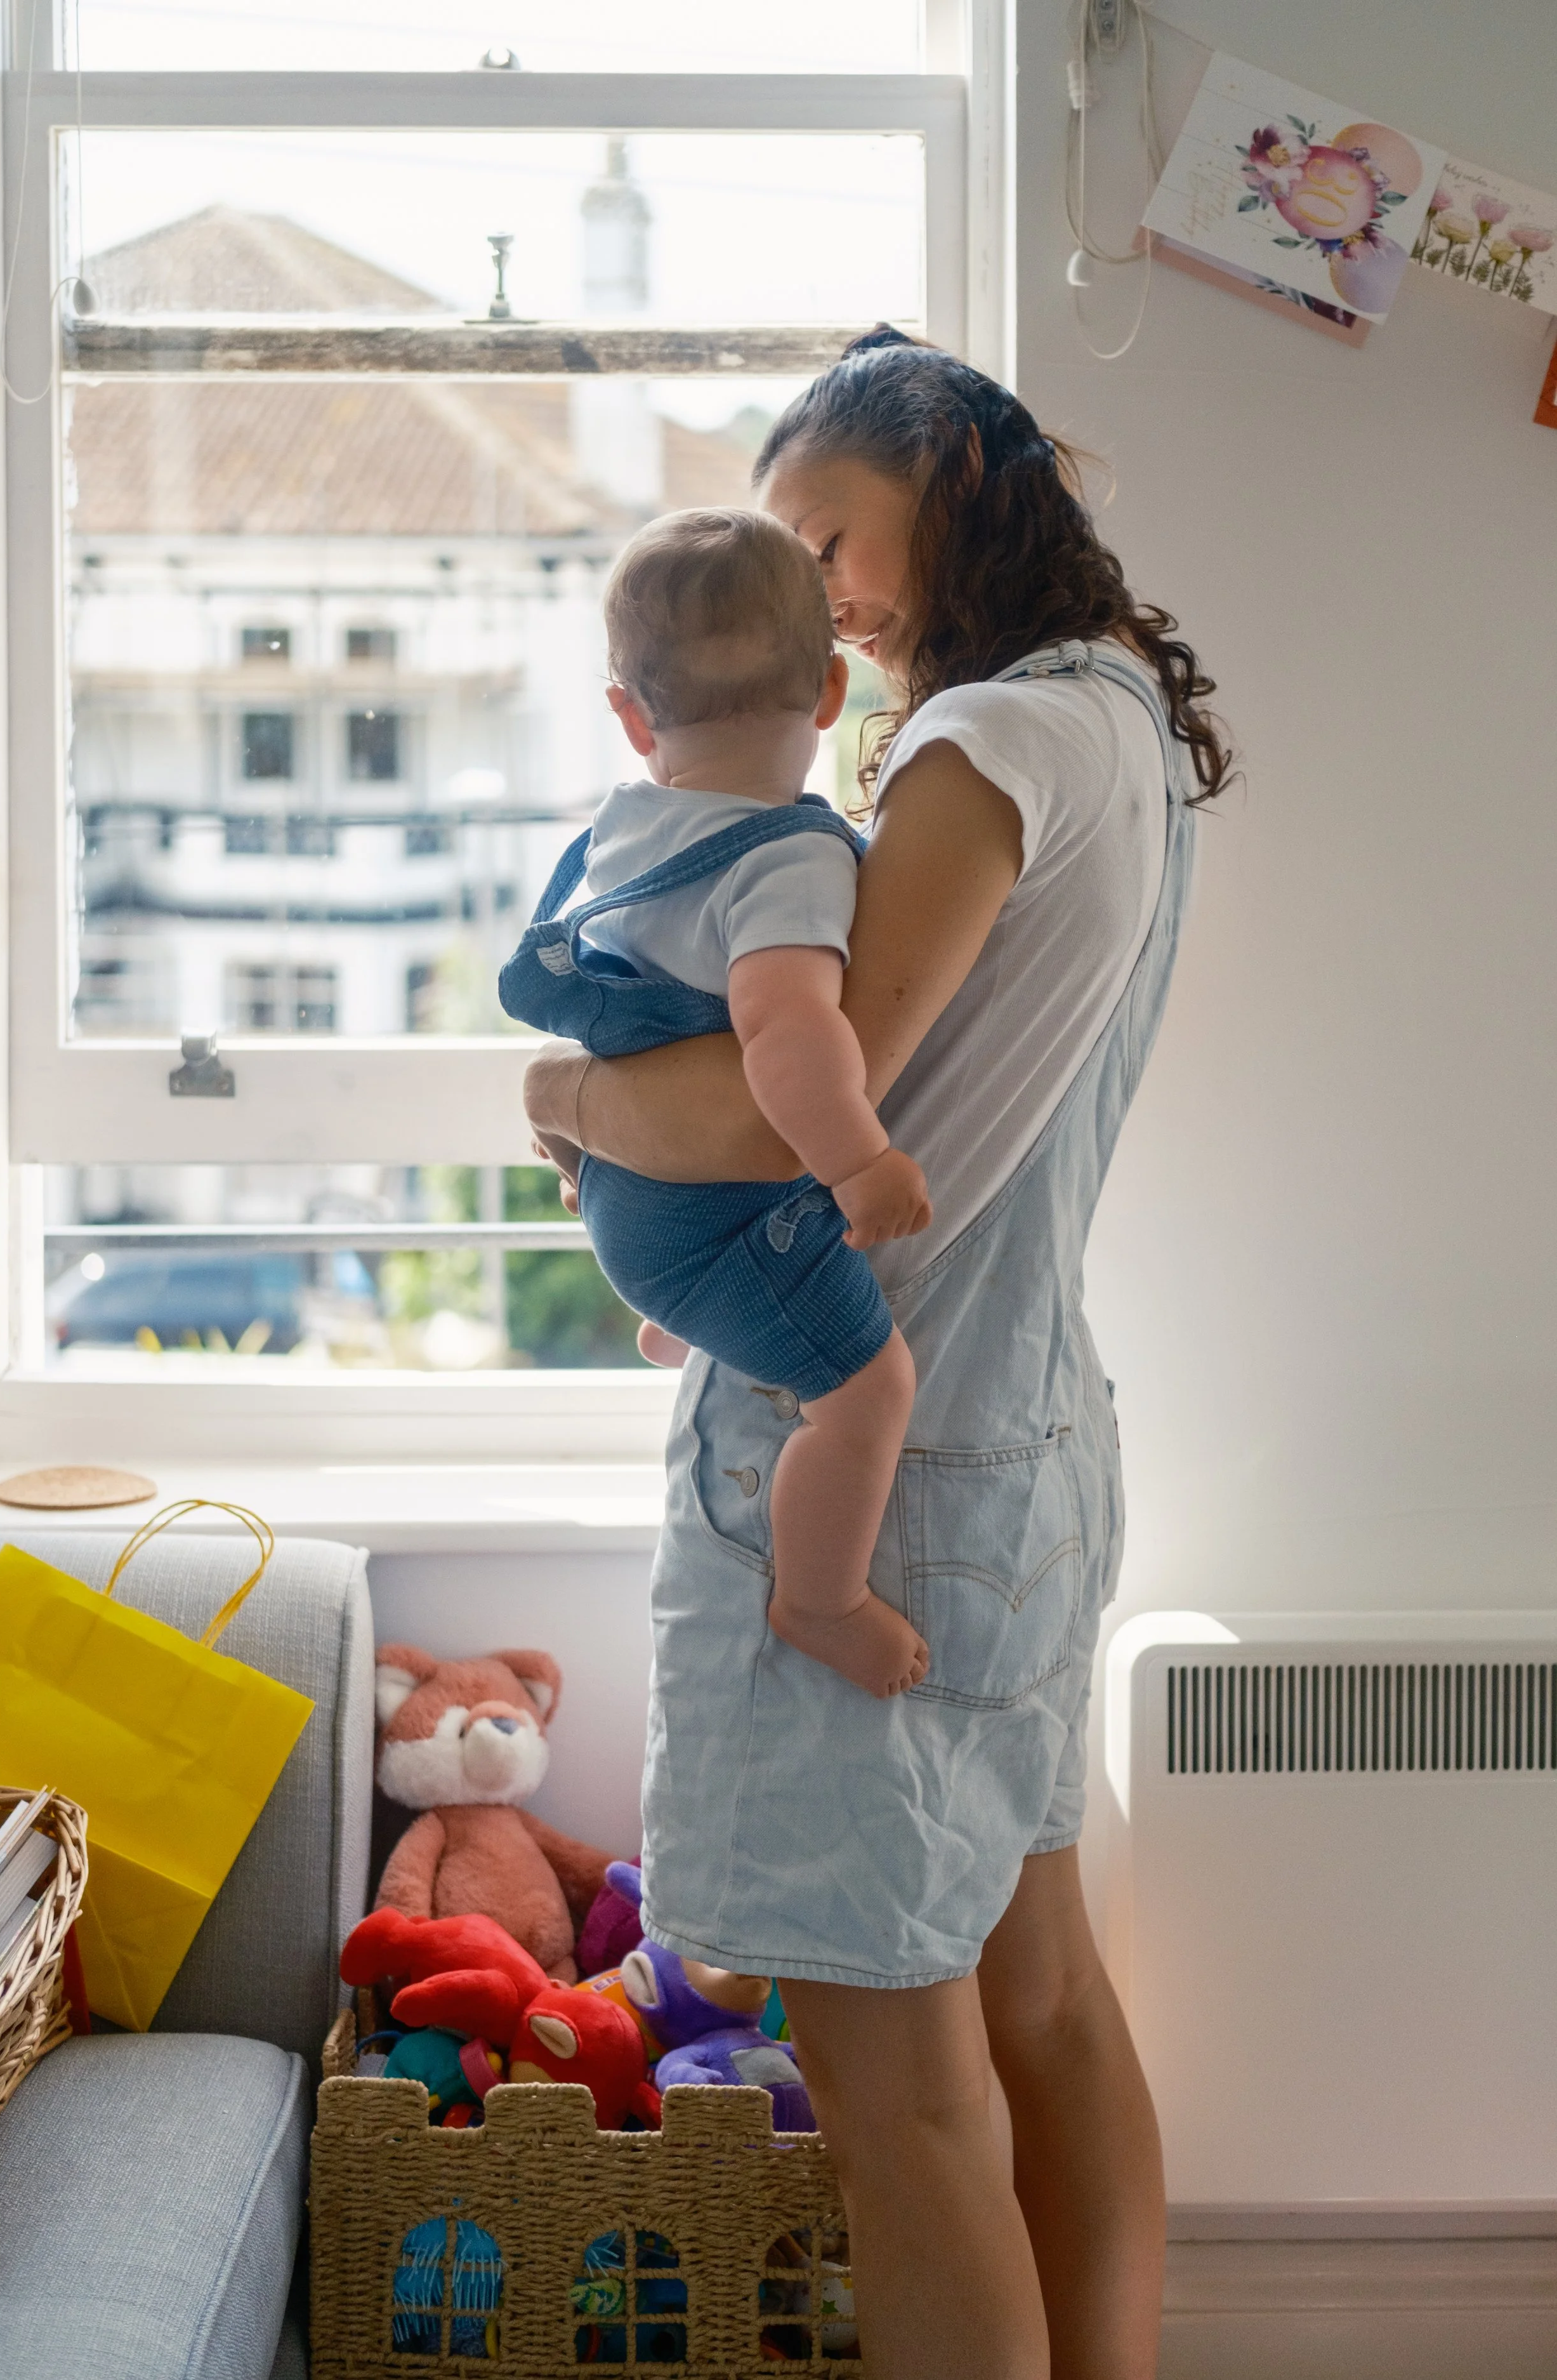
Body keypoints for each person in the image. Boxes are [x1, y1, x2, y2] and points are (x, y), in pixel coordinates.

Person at [525, 329, 1233, 2380]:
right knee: (1041, 2010)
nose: (810, 577)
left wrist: (569, 1099)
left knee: (909, 2109)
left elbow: (783, 1112)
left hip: (885, 1483)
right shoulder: (1123, 732)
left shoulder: (981, 747)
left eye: (825, 526)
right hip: (1017, 1446)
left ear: (949, 469)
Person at [500, 508, 933, 1698]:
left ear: (632, 718)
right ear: (835, 689)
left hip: (623, 1200)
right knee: (868, 1393)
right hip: (706, 1224)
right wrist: (858, 1164)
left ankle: (676, 1320)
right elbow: (787, 1045)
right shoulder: (790, 859)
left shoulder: (630, 826)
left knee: (764, 1316)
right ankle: (821, 1598)